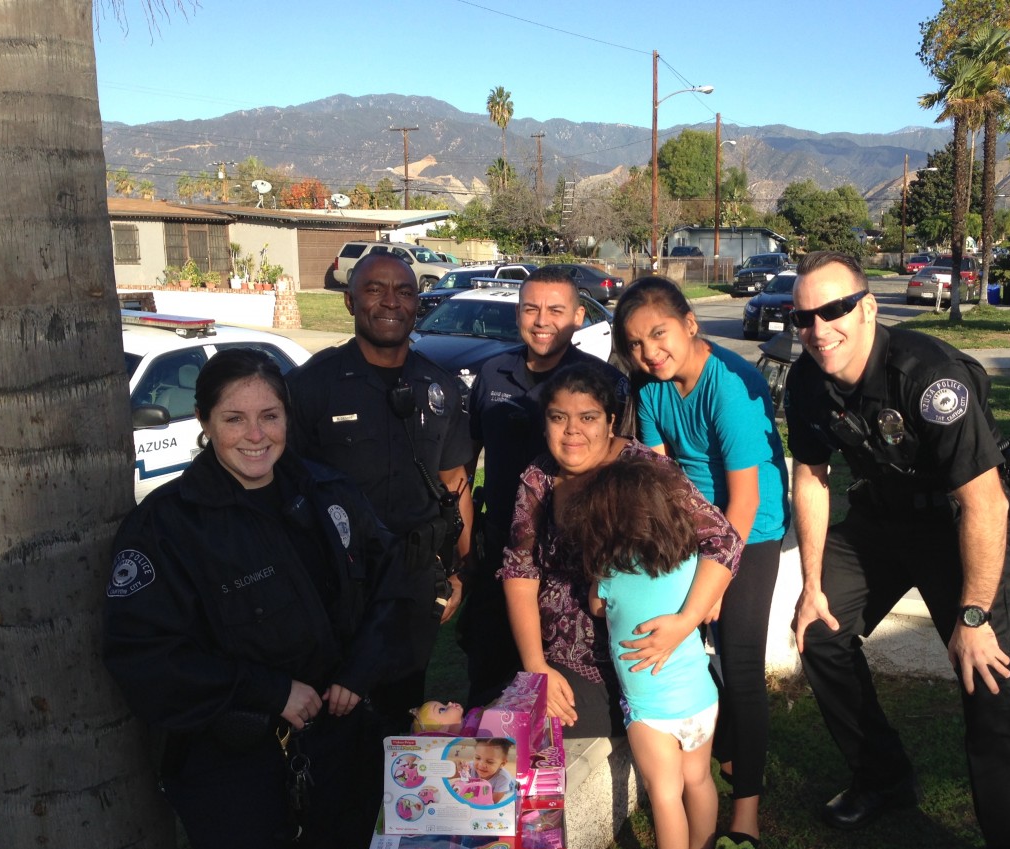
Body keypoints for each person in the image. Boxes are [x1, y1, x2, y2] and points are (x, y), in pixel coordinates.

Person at [103, 349, 411, 849]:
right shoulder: (166, 527)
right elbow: (145, 655)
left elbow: (388, 582)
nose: (255, 435)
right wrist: (269, 692)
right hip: (233, 765)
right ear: (204, 420)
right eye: (234, 419)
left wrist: (358, 671)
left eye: (269, 416)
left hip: (328, 743)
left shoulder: (324, 492)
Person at [784, 251, 1010, 849]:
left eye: (835, 309)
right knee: (819, 632)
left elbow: (984, 503)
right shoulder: (809, 382)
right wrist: (813, 585)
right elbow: (813, 478)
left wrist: (971, 616)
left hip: (960, 524)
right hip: (883, 519)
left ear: (869, 307)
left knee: (989, 681)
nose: (820, 329)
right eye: (805, 316)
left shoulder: (927, 377)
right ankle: (883, 776)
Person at [613, 276, 789, 849]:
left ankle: (746, 820)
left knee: (738, 663)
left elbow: (741, 504)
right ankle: (724, 753)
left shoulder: (732, 388)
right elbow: (662, 481)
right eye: (635, 344)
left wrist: (702, 598)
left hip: (752, 531)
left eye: (658, 333)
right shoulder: (652, 392)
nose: (649, 352)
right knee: (700, 657)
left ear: (690, 322)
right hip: (690, 529)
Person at [287, 250, 474, 735]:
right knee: (333, 720)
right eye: (374, 289)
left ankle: (396, 805)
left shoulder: (441, 385)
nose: (390, 301)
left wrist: (458, 572)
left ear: (418, 304)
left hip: (413, 583)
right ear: (350, 302)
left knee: (401, 716)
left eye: (404, 291)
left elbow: (456, 483)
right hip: (336, 581)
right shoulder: (312, 386)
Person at [501, 363, 741, 738]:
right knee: (503, 721)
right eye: (558, 417)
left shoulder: (645, 471)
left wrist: (686, 621)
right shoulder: (539, 477)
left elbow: (723, 540)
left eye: (588, 417)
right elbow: (520, 570)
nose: (572, 430)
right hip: (560, 655)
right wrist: (535, 667)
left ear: (611, 421)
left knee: (537, 732)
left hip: (643, 652)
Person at [564, 457, 732, 849]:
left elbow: (598, 608)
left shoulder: (611, 573)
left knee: (664, 792)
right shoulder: (688, 560)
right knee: (698, 778)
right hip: (701, 697)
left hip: (650, 710)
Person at [460, 264, 630, 707]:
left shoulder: (605, 382)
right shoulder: (492, 373)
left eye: (556, 309)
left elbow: (626, 469)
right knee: (490, 679)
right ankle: (490, 771)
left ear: (578, 316)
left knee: (568, 689)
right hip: (503, 545)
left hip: (575, 557)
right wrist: (463, 550)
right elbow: (464, 463)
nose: (541, 320)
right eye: (530, 308)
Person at [472, 737, 517, 802]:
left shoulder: (503, 778)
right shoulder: (469, 767)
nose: (481, 765)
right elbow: (453, 773)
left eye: (489, 762)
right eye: (477, 758)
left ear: (502, 763)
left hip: (510, 786)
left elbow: (493, 802)